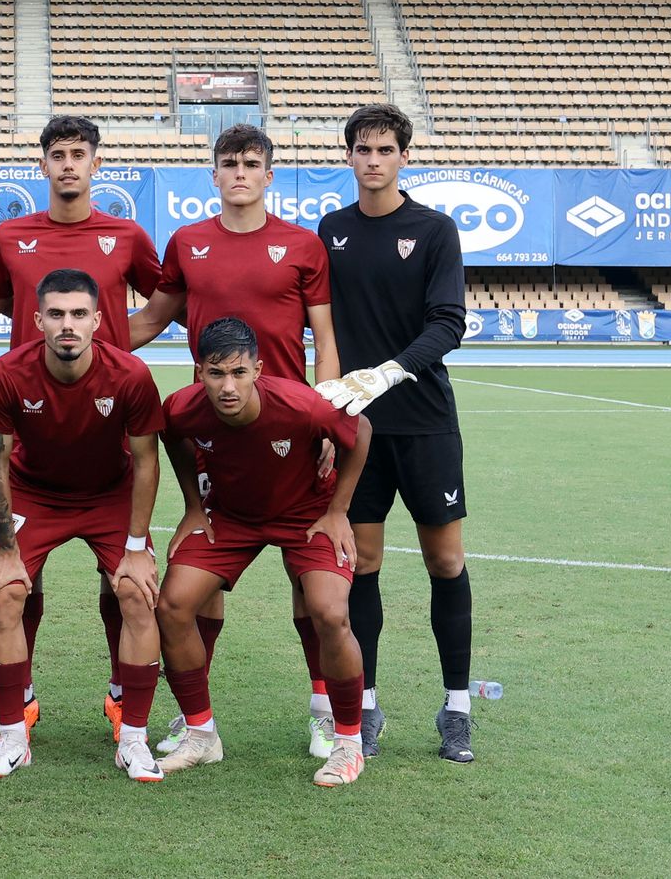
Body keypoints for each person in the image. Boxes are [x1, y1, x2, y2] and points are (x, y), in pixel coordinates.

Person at [128, 123, 344, 760]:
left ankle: (324, 712)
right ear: (214, 174)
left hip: (293, 433)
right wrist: (83, 346)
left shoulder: (302, 245)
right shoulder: (188, 243)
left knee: (310, 584)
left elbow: (325, 340)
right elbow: (150, 318)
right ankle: (196, 720)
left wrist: (328, 420)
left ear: (269, 174)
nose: (240, 173)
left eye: (252, 163)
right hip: (217, 437)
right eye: (230, 163)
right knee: (201, 582)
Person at [0, 115, 165, 736]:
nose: (68, 164)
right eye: (58, 154)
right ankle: (23, 696)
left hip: (103, 424)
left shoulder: (126, 235)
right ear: (42, 164)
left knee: (120, 577)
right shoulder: (11, 235)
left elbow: (165, 303)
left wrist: (114, 349)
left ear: (96, 163)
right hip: (30, 425)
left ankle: (122, 692)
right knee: (21, 576)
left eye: (78, 154)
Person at [316, 103, 475, 763]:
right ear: (348, 156)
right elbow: (321, 325)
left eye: (385, 149)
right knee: (363, 563)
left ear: (404, 157)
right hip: (359, 429)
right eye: (363, 149)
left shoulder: (434, 230)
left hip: (425, 422)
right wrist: (327, 410)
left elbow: (449, 323)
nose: (374, 159)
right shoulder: (332, 230)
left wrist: (388, 372)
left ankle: (457, 708)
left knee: (445, 561)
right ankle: (366, 706)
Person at [156, 317, 372, 787]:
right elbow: (171, 437)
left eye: (238, 372)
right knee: (172, 605)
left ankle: (348, 744)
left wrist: (338, 511)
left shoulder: (301, 404)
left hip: (306, 514)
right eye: (216, 374)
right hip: (231, 516)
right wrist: (193, 506)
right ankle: (201, 735)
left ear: (258, 369)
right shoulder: (182, 407)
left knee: (330, 613)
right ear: (199, 371)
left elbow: (362, 430)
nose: (227, 386)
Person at [0, 269, 166, 782]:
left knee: (136, 592)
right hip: (35, 494)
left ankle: (134, 738)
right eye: (56, 314)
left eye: (79, 314)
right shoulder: (8, 372)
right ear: (37, 320)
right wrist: (6, 547)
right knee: (7, 592)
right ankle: (12, 735)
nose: (67, 325)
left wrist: (137, 546)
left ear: (98, 320)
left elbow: (147, 463)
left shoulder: (130, 375)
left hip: (109, 494)